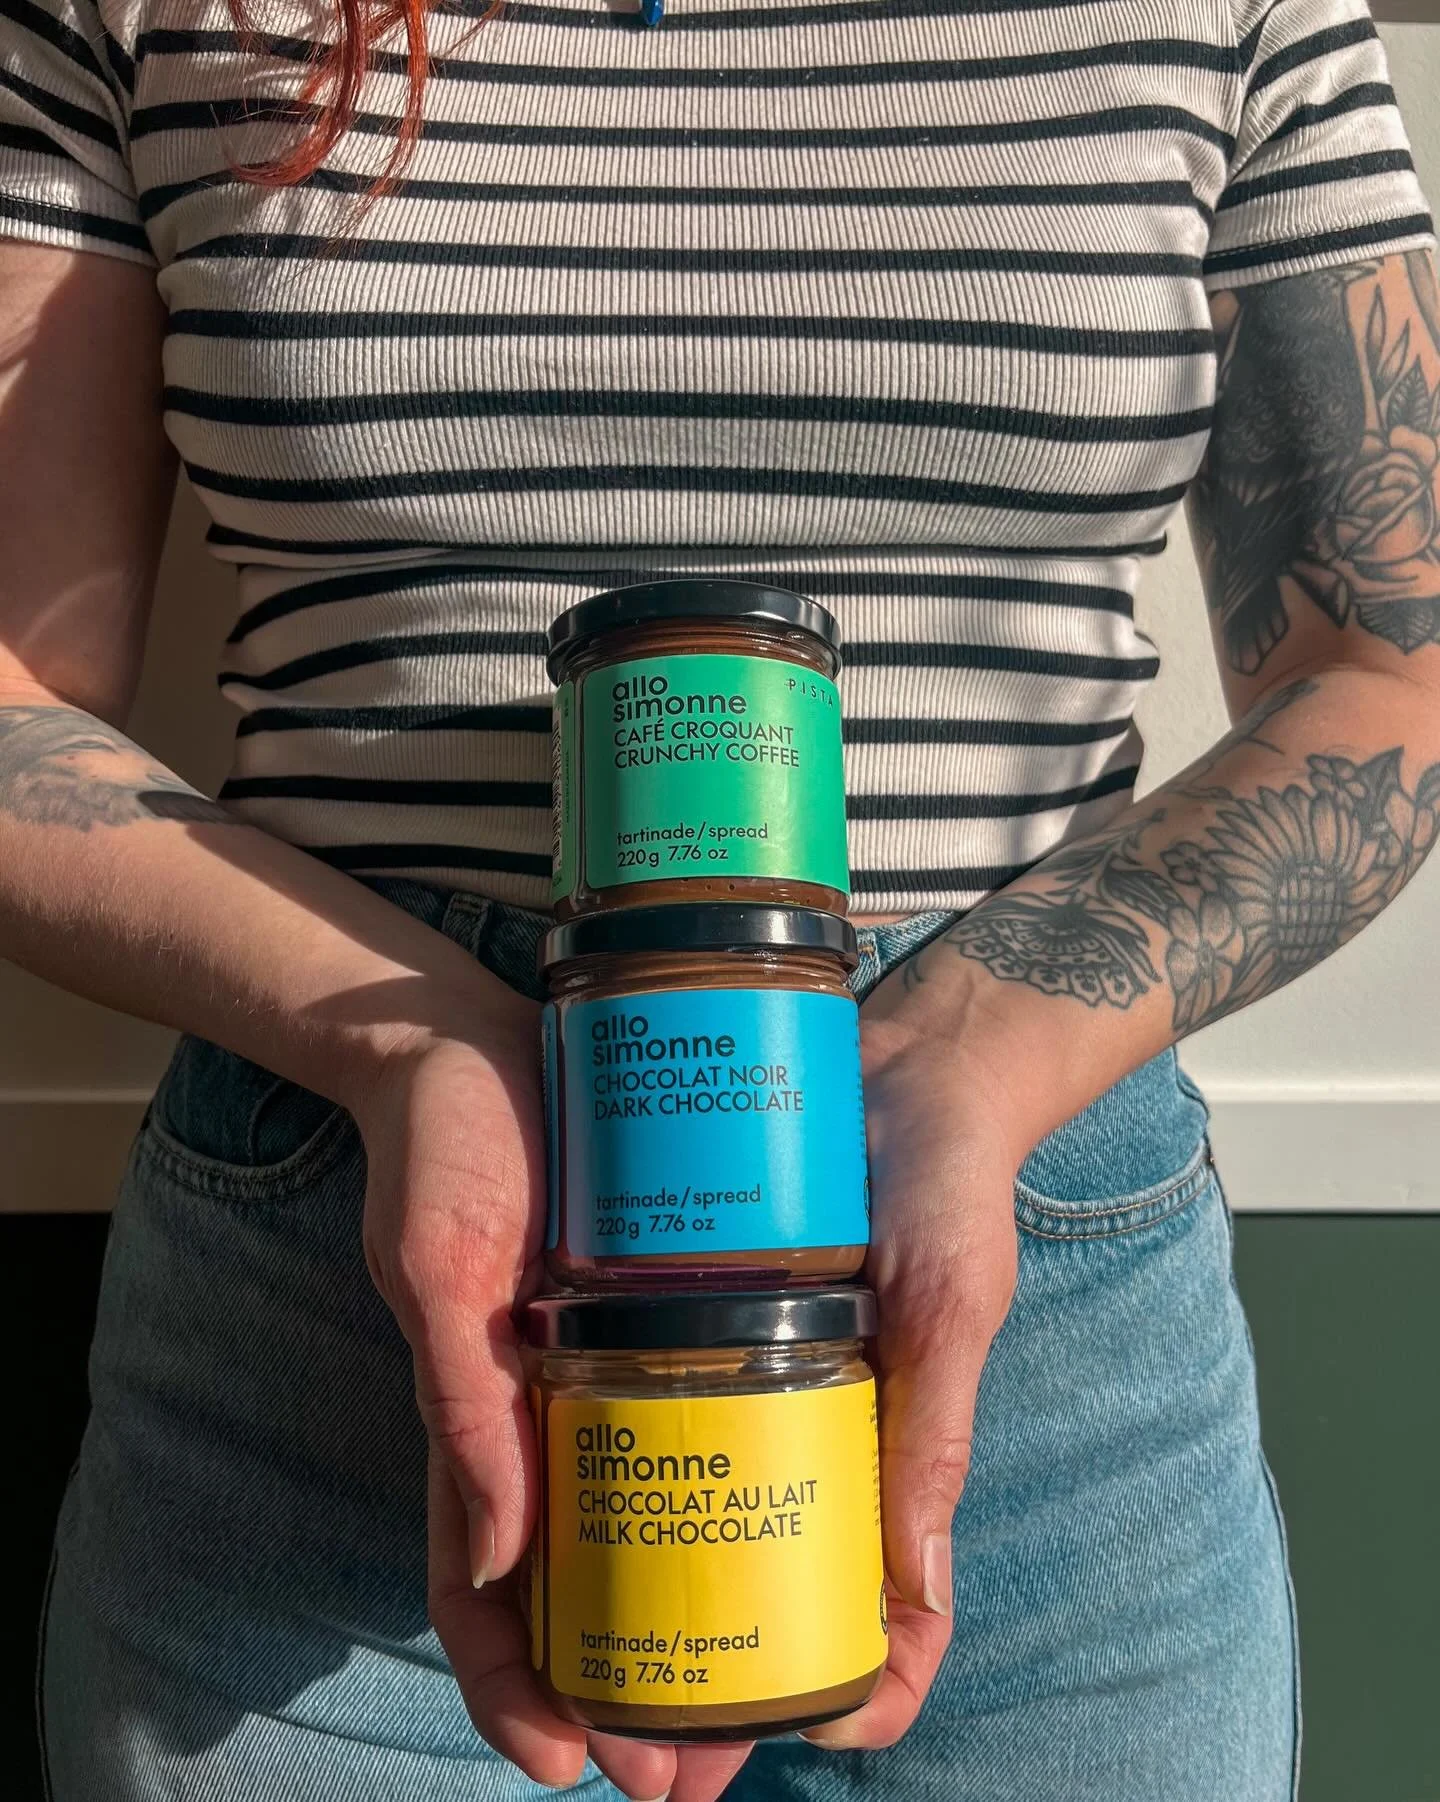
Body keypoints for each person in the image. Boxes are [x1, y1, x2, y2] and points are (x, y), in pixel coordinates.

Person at [2, 0, 1437, 1795]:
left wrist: (978, 1047)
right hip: (343, 1275)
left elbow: (1387, 670)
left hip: (1030, 1271)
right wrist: (415, 1040)